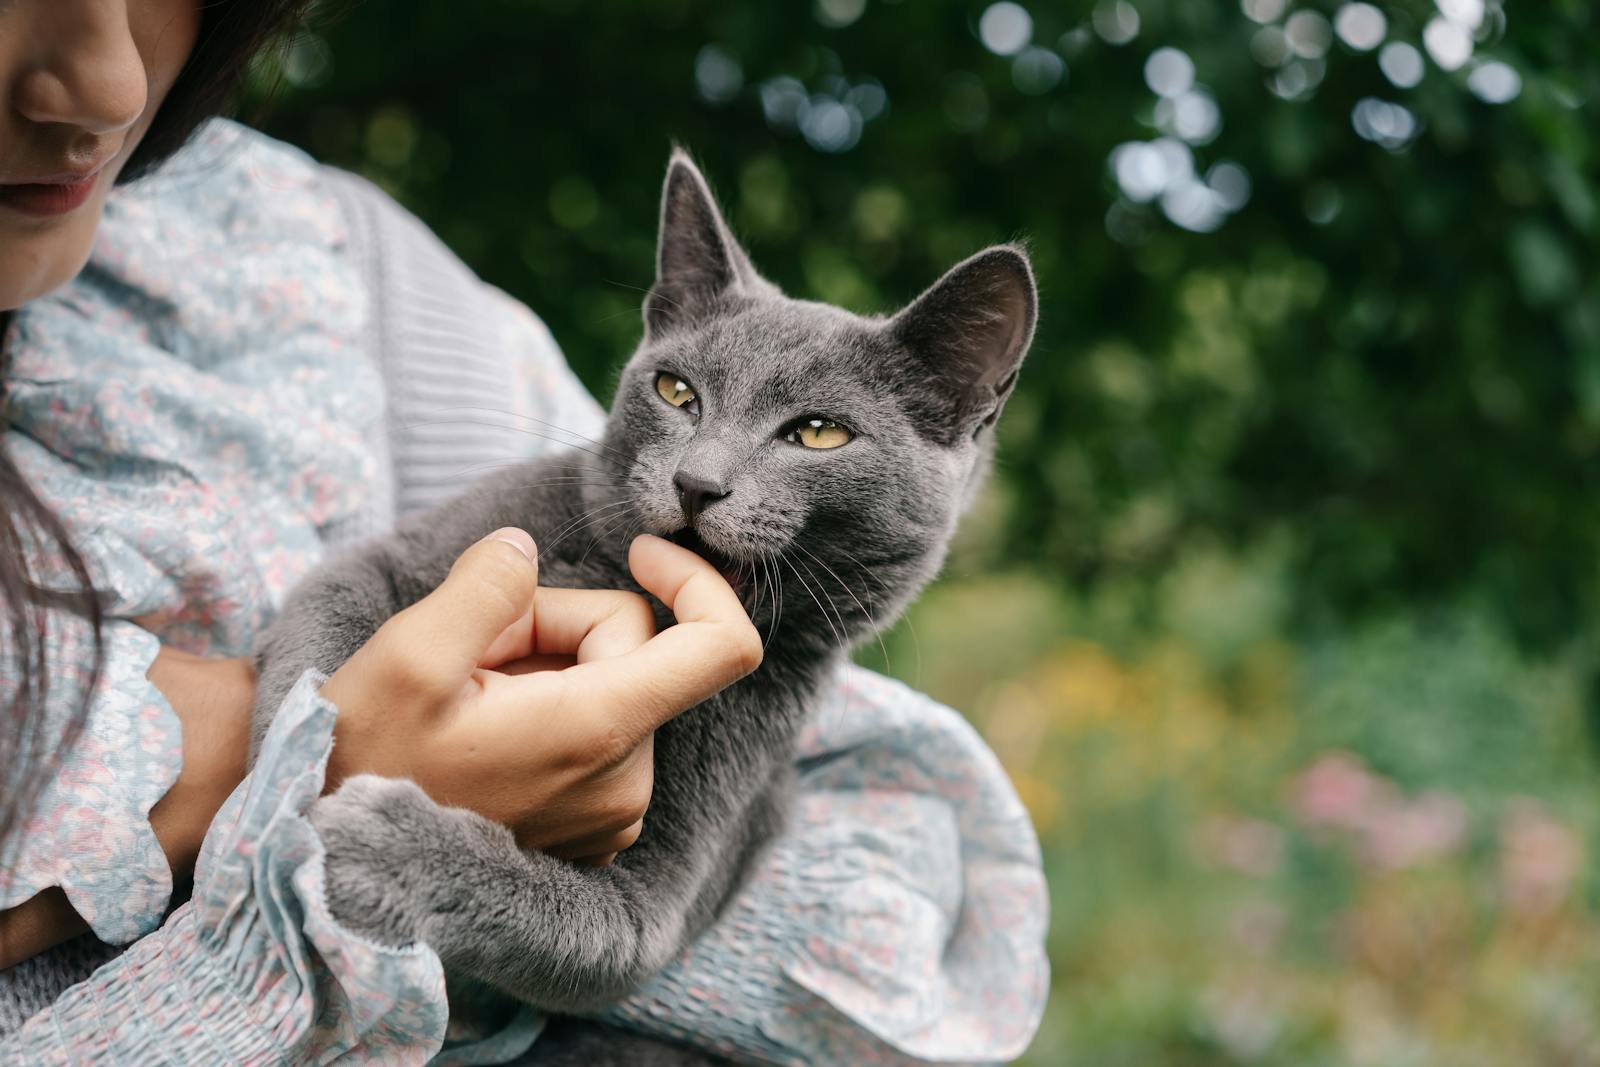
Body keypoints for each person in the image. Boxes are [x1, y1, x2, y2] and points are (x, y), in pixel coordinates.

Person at [0, 1, 1049, 1063]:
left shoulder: (347, 269)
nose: (702, 468)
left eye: (814, 431)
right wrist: (298, 768)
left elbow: (688, 917)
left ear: (954, 410)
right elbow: (361, 586)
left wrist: (443, 869)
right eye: (681, 390)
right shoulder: (542, 499)